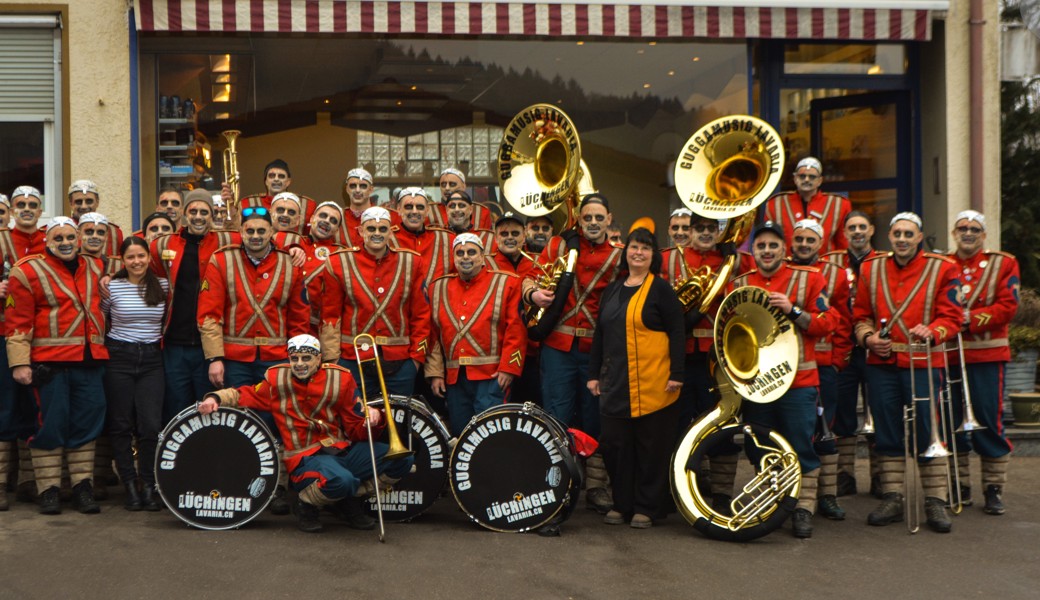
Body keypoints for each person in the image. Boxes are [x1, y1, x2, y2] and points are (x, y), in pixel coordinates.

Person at [196, 334, 414, 533]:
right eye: (295, 358)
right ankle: (305, 504)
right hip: (304, 457)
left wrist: (374, 419)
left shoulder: (341, 379)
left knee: (402, 460)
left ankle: (348, 499)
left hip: (340, 450)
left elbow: (356, 431)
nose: (299, 364)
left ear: (319, 359)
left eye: (306, 358)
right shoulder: (276, 380)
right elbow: (241, 394)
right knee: (342, 480)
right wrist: (214, 398)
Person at [728, 221, 841, 538]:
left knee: (800, 445)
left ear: (784, 249)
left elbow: (828, 322)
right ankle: (774, 503)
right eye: (761, 246)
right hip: (757, 383)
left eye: (773, 245)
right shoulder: (740, 283)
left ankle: (803, 508)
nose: (766, 251)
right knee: (760, 446)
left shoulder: (811, 278)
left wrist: (793, 310)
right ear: (754, 251)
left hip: (798, 382)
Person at [197, 204, 311, 514]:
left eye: (262, 230)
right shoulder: (221, 261)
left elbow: (299, 317)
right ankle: (244, 482)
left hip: (278, 361)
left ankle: (279, 487)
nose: (256, 236)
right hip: (236, 359)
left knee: (280, 423)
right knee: (244, 422)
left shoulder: (290, 264)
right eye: (250, 231)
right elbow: (209, 314)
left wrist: (298, 360)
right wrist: (215, 358)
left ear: (273, 232)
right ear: (241, 232)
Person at [853, 212, 962, 533]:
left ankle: (935, 501)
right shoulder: (870, 269)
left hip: (924, 362)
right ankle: (893, 497)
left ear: (919, 237)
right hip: (882, 365)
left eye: (908, 234)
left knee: (929, 432)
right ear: (889, 236)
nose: (902, 239)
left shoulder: (943, 268)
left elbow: (953, 317)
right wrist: (869, 338)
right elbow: (859, 316)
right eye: (897, 233)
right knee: (886, 431)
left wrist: (933, 330)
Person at [523, 193, 623, 514]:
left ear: (609, 220)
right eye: (587, 217)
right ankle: (558, 483)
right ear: (578, 219)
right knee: (556, 416)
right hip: (558, 348)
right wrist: (532, 293)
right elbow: (527, 276)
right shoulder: (557, 246)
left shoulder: (621, 256)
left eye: (598, 218)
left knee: (596, 419)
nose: (592, 223)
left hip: (597, 352)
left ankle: (596, 487)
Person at [5, 216, 109, 515]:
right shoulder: (26, 271)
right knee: (48, 425)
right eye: (58, 238)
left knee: (87, 423)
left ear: (78, 239)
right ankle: (48, 490)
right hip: (49, 365)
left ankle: (82, 488)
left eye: (70, 237)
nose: (65, 243)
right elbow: (17, 322)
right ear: (47, 241)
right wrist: (19, 364)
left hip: (90, 361)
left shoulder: (95, 266)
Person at [588, 226, 685, 529]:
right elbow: (600, 335)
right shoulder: (613, 289)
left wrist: (677, 373)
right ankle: (622, 504)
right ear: (625, 252)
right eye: (634, 247)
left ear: (653, 255)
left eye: (645, 248)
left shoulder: (661, 289)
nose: (638, 252)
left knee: (650, 448)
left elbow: (678, 332)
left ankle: (646, 507)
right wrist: (593, 375)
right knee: (616, 446)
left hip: (654, 383)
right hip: (616, 383)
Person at [658, 209, 739, 509]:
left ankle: (721, 494)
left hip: (717, 359)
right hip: (679, 357)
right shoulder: (669, 258)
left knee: (721, 425)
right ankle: (675, 488)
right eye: (699, 228)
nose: (705, 233)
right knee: (676, 424)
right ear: (689, 231)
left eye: (711, 228)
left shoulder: (729, 261)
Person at [946, 210, 1018, 515]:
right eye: (962, 228)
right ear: (954, 233)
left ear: (984, 234)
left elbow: (1008, 305)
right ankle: (959, 486)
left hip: (987, 354)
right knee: (952, 421)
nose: (968, 233)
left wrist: (970, 320)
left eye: (975, 228)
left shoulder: (1004, 262)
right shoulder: (942, 264)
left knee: (988, 418)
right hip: (949, 355)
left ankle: (993, 488)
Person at [320, 206, 431, 397]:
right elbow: (330, 315)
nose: (377, 234)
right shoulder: (338, 263)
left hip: (401, 362)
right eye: (371, 229)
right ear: (361, 231)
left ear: (390, 231)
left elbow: (421, 315)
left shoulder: (412, 262)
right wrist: (333, 359)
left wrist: (416, 359)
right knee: (357, 421)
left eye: (382, 229)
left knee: (399, 421)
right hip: (351, 359)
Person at [425, 233, 527, 436]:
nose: (465, 257)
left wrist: (509, 368)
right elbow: (433, 335)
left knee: (492, 435)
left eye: (471, 252)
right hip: (455, 378)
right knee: (461, 434)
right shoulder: (438, 287)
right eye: (460, 253)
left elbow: (516, 329)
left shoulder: (508, 283)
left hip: (492, 375)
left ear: (482, 257)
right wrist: (435, 372)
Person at [788, 218, 853, 521]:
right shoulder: (783, 269)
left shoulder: (837, 274)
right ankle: (790, 494)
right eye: (799, 239)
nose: (803, 244)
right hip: (790, 366)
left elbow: (843, 320)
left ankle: (826, 495)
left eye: (810, 240)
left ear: (821, 244)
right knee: (792, 432)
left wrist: (839, 359)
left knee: (825, 431)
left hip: (825, 366)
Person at [100, 237, 168, 511]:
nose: (137, 262)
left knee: (150, 426)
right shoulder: (112, 288)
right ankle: (129, 484)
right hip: (119, 357)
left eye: (141, 256)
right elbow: (103, 319)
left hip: (152, 359)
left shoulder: (162, 286)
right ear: (123, 261)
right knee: (120, 425)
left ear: (148, 257)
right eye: (131, 257)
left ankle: (148, 485)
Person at [823, 210, 881, 497]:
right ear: (844, 233)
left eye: (862, 226)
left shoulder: (884, 261)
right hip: (845, 346)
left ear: (871, 230)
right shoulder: (831, 262)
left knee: (879, 411)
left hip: (877, 346)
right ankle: (844, 475)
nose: (857, 231)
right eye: (851, 228)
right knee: (843, 412)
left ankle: (881, 476)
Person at [762, 157, 851, 254]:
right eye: (802, 176)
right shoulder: (775, 204)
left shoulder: (839, 204)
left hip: (825, 266)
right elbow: (769, 240)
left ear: (820, 181)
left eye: (812, 177)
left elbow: (843, 243)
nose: (807, 180)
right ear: (795, 179)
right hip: (787, 265)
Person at [391, 187, 455, 285]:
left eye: (420, 207)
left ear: (427, 210)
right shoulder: (388, 239)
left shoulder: (447, 239)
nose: (415, 211)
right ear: (399, 209)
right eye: (408, 207)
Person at [68, 180, 125, 257]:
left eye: (89, 201)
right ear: (71, 204)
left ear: (97, 202)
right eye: (78, 202)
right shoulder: (59, 230)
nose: (84, 206)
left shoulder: (114, 232)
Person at [7, 186, 47, 259]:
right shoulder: (4, 241)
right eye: (21, 205)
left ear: (39, 212)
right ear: (12, 212)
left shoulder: (50, 240)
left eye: (32, 205)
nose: (27, 209)